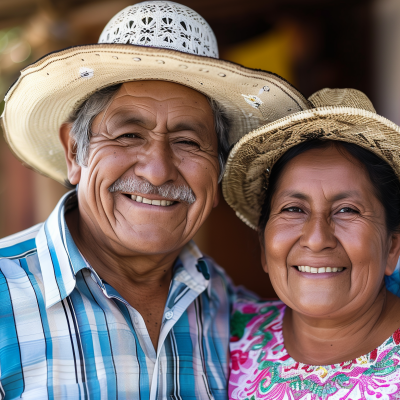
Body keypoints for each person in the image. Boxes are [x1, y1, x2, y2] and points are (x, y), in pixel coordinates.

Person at [0, 1, 310, 399]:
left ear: (217, 174)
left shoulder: (238, 318)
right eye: (129, 135)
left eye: (188, 142)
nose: (158, 171)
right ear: (74, 152)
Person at [223, 88, 400, 399]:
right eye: (293, 209)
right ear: (264, 247)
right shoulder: (227, 334)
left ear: (392, 247)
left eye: (347, 210)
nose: (317, 239)